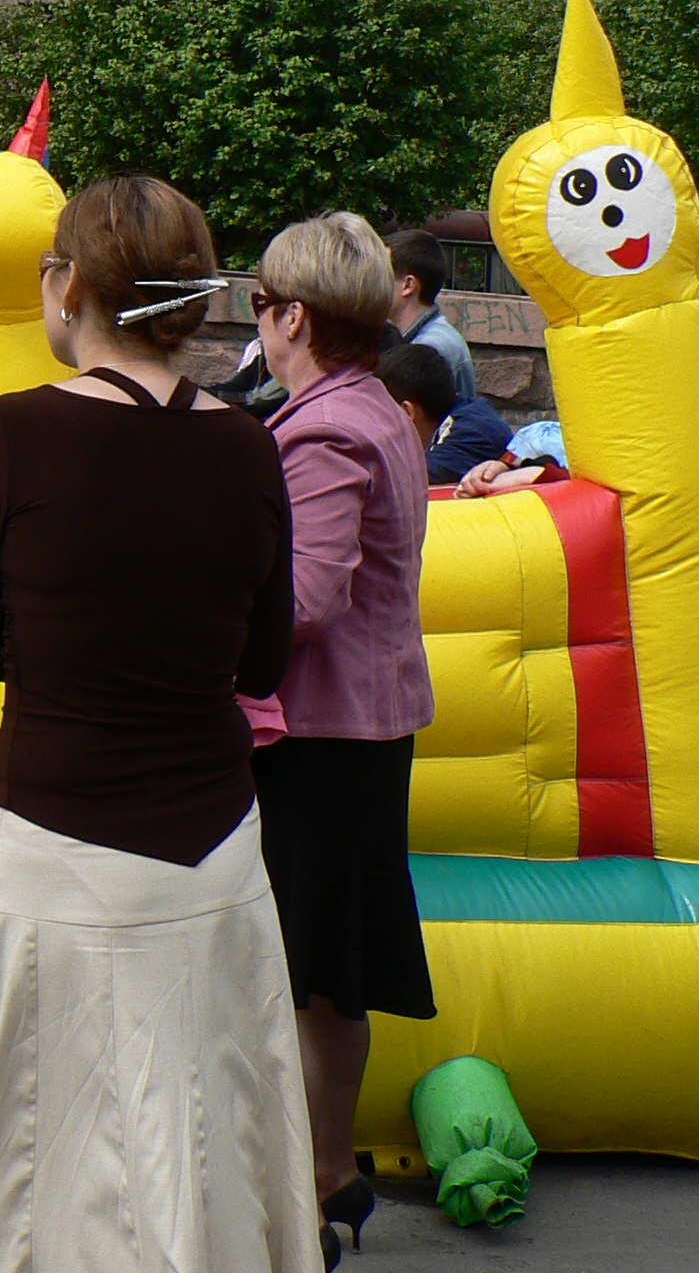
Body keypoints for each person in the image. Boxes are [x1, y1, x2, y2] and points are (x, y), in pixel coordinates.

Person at [0, 175, 324, 1273]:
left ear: (70, 284)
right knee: (203, 1125)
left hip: (57, 827)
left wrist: (66, 660)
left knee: (24, 1136)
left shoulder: (18, 430)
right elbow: (262, 661)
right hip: (210, 845)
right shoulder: (247, 446)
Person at [252, 211, 437, 1256]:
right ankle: (328, 1171)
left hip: (319, 736)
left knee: (306, 967)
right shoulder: (373, 410)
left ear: (295, 317)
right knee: (333, 972)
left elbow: (304, 599)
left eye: (261, 303)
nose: (258, 322)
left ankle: (312, 1176)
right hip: (364, 729)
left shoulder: (324, 429)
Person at [376, 342, 510, 487]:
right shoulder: (458, 419)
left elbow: (401, 476)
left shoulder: (476, 433)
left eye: (377, 411)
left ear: (407, 412)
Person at [384, 229, 475, 402]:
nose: (373, 281)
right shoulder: (422, 340)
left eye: (381, 274)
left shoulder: (431, 349)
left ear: (408, 285)